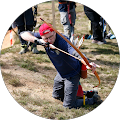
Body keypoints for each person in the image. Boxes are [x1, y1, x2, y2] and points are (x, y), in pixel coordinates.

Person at [20, 23, 102, 109]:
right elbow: (23, 34)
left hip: (72, 73)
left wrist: (88, 63)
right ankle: (86, 93)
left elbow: (74, 51)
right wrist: (38, 41)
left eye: (51, 37)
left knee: (68, 106)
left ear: (55, 32)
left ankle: (93, 100)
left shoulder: (63, 41)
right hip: (61, 73)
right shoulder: (43, 38)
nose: (49, 40)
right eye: (46, 38)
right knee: (57, 96)